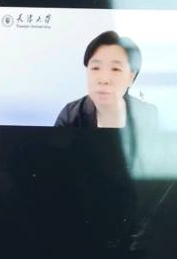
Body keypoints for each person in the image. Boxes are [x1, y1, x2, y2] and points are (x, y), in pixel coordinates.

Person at [54, 29, 159, 170]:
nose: (104, 79)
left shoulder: (147, 115)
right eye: (95, 68)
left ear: (131, 77)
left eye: (115, 69)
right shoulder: (71, 115)